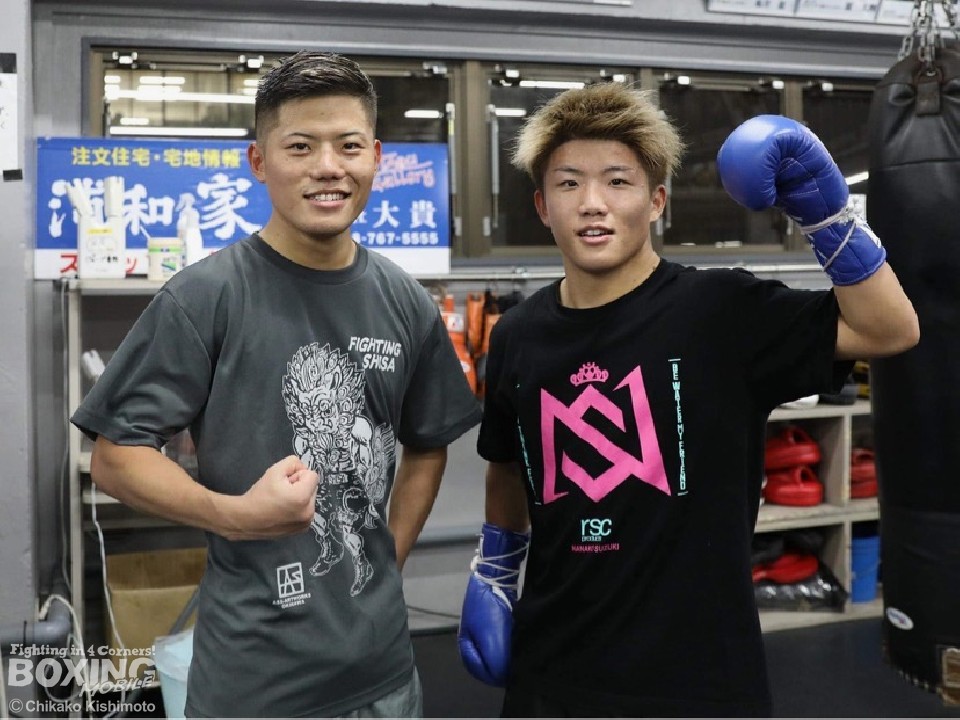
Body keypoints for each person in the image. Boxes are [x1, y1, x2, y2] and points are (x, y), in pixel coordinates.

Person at [457, 82, 919, 717]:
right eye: (568, 183)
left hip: (698, 677)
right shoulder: (517, 334)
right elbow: (508, 464)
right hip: (552, 671)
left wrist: (827, 217)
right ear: (542, 205)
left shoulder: (721, 310)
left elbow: (890, 330)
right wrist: (496, 567)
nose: (592, 203)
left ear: (657, 201)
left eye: (618, 181)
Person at [72, 50, 482, 718]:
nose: (328, 166)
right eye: (300, 146)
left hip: (383, 678)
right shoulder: (206, 296)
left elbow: (428, 442)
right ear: (259, 162)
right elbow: (117, 458)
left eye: (349, 145)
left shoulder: (405, 301)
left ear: (375, 157)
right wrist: (236, 516)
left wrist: (387, 558)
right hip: (252, 684)